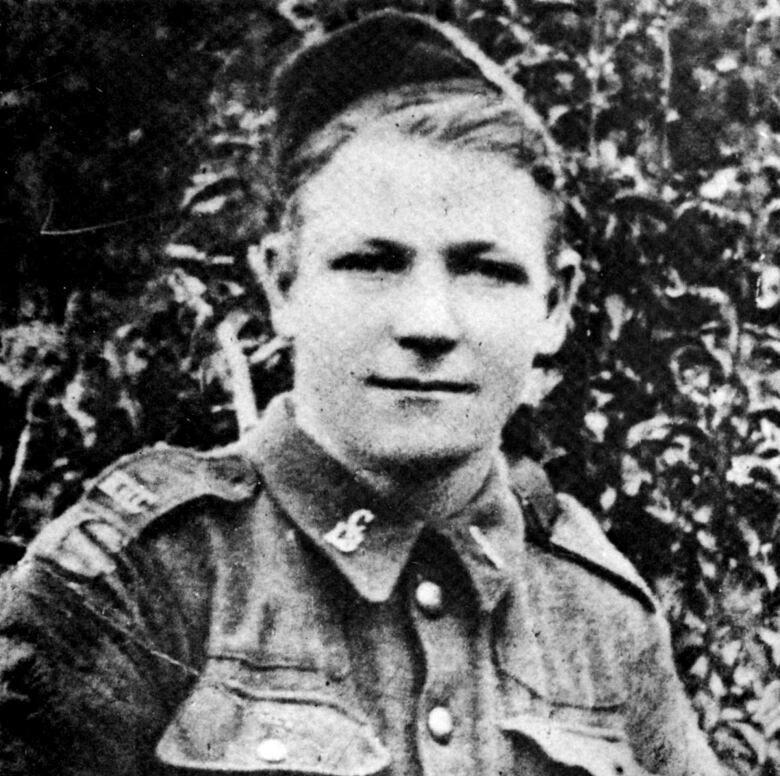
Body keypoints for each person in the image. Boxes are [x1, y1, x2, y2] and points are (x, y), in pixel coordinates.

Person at [0, 9, 725, 776]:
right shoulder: (146, 578)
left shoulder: (598, 617)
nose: (428, 323)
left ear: (554, 306)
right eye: (372, 263)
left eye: (486, 269)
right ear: (281, 284)